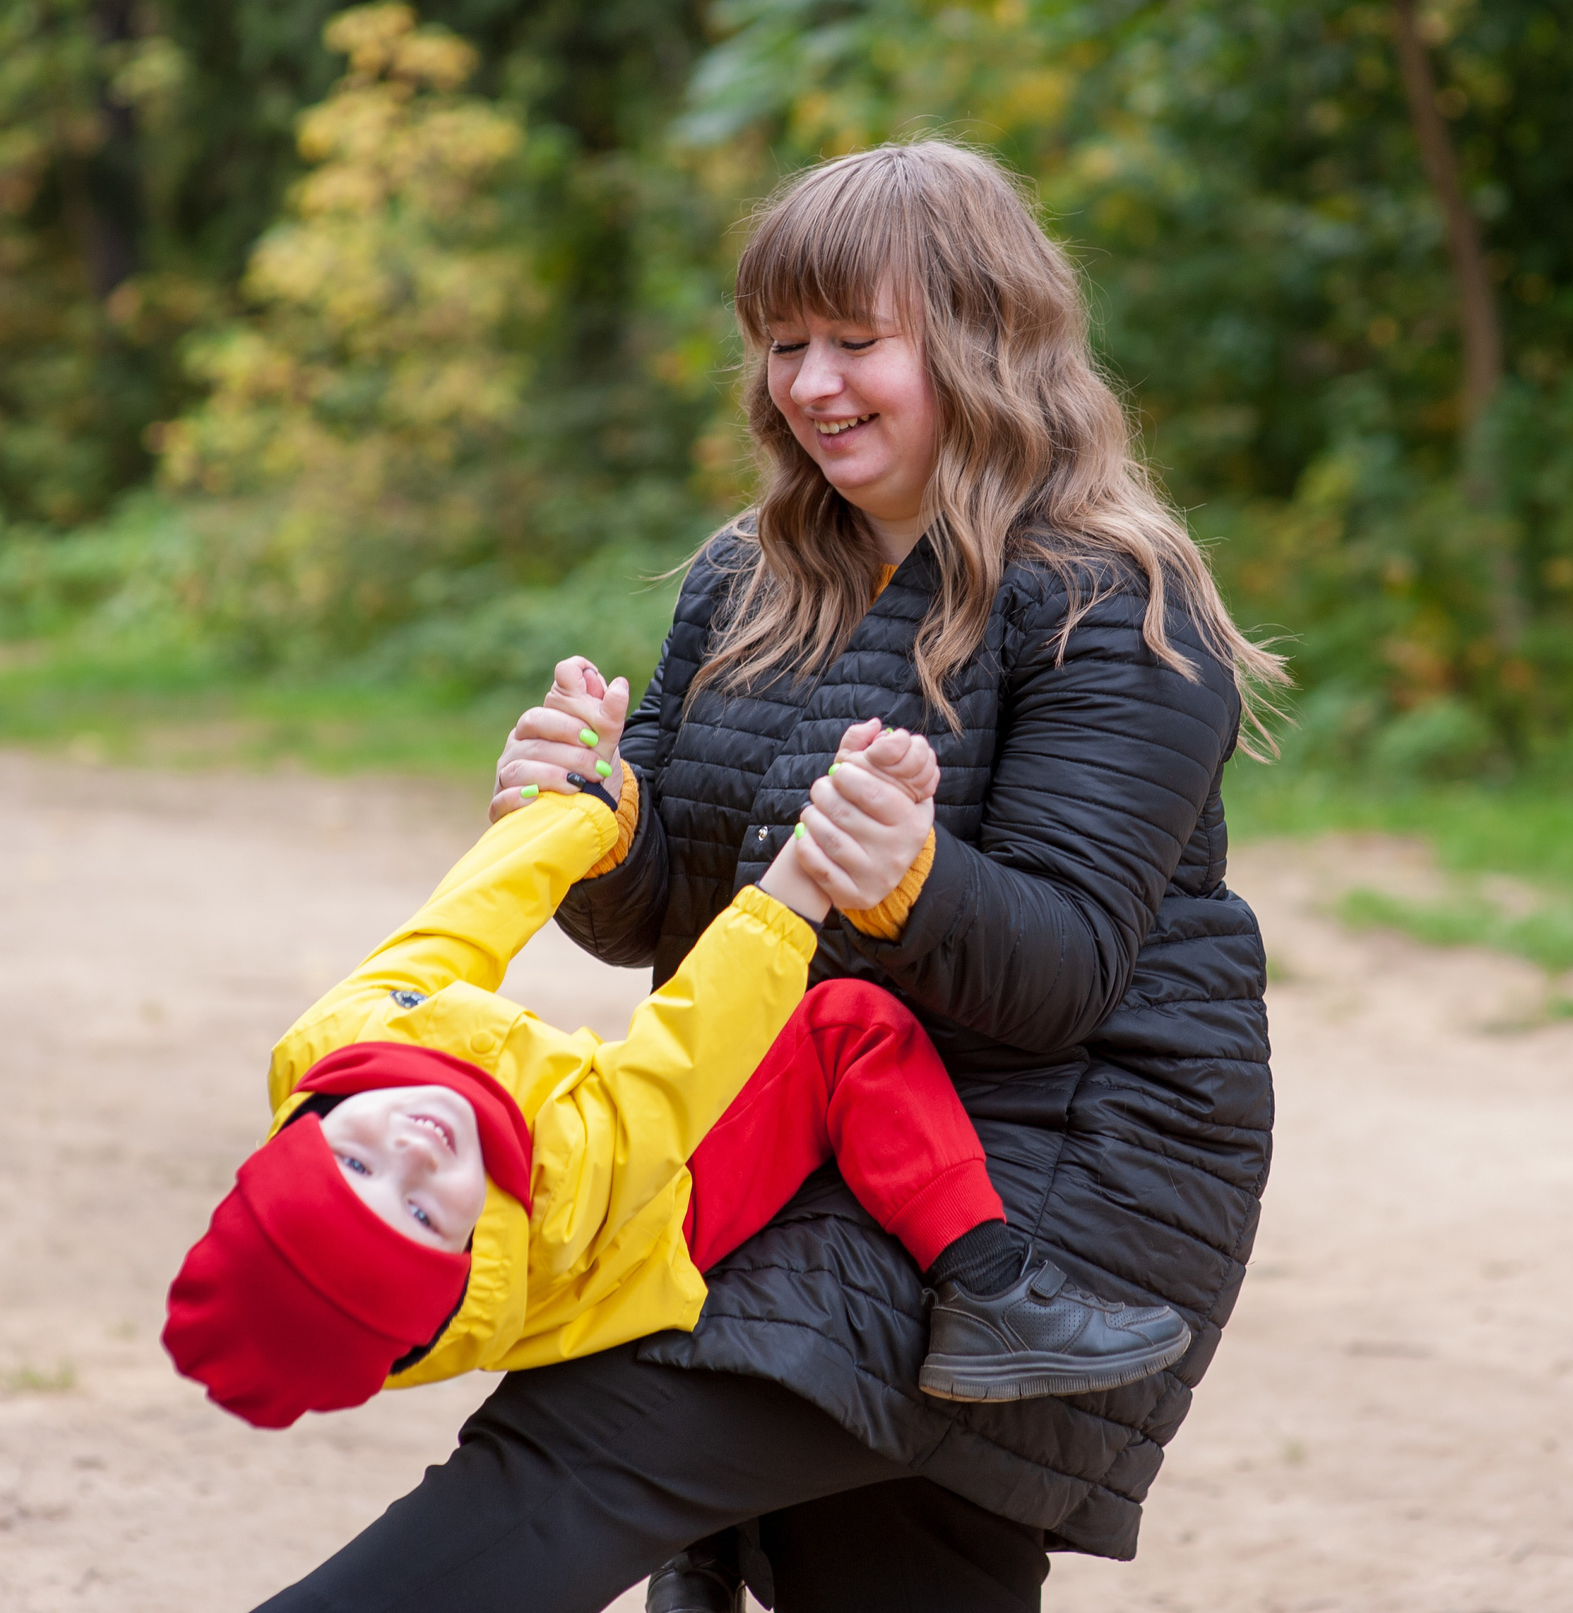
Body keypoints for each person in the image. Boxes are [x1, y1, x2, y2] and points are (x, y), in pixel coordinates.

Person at [256, 139, 1282, 1613]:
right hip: (789, 1130)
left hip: (1040, 1181)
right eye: (785, 344)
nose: (813, 384)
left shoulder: (1111, 603)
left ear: (987, 342)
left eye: (860, 342)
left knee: (579, 1447)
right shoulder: (751, 576)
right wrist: (594, 820)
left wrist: (911, 882)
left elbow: (1061, 970)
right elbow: (676, 918)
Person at [162, 713, 1189, 1430]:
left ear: (303, 1124)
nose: (414, 1158)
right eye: (427, 1216)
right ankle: (990, 1287)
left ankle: (704, 1551)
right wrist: (808, 868)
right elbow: (679, 1063)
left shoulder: (333, 1039)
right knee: (847, 1027)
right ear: (463, 1252)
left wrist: (581, 809)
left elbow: (452, 925)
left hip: (599, 1121)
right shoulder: (566, 1179)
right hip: (656, 1215)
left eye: (353, 1162)